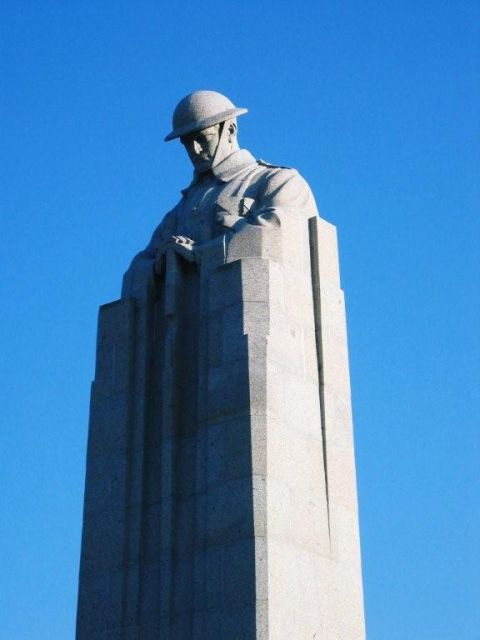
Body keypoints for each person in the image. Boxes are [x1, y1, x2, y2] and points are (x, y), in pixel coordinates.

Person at [122, 90, 318, 298]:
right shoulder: (180, 211)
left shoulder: (277, 181)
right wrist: (161, 263)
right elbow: (137, 269)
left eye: (202, 138)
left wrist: (202, 254)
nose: (195, 150)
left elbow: (277, 237)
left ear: (230, 130)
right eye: (187, 143)